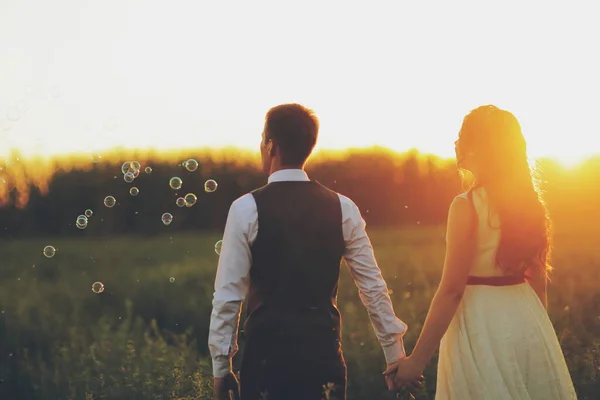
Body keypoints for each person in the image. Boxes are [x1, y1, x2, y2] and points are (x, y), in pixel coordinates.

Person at [208, 103, 416, 400]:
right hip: (323, 354)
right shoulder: (343, 207)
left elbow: (228, 297)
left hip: (265, 358)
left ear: (271, 146)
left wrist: (221, 368)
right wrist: (395, 354)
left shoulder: (245, 208)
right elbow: (372, 286)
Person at [386, 105, 577, 399]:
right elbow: (538, 278)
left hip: (480, 324)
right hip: (527, 318)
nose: (455, 143)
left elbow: (451, 290)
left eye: (461, 136)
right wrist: (535, 332)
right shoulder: (530, 205)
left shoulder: (466, 205)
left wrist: (416, 362)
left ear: (478, 148)